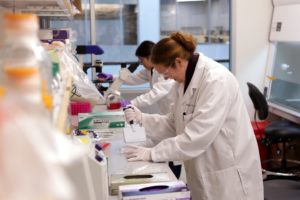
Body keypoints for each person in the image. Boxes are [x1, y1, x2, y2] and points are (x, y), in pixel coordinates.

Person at [121, 32, 264, 200]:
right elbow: (174, 123)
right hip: (204, 171)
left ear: (178, 62)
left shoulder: (216, 81)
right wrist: (143, 119)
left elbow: (197, 136)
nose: (167, 79)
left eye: (166, 74)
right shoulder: (183, 82)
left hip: (229, 174)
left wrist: (152, 153)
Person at [119, 40, 175, 115]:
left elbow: (155, 93)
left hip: (175, 110)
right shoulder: (150, 70)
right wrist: (111, 78)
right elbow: (132, 79)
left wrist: (132, 102)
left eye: (142, 60)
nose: (141, 63)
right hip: (166, 111)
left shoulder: (166, 71)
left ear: (150, 57)